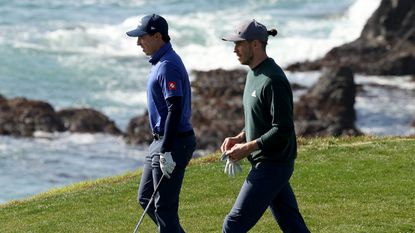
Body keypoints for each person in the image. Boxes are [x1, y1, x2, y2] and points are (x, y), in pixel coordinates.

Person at [220, 19, 310, 233]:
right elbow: (261, 118)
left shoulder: (273, 79)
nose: (234, 50)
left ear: (256, 44)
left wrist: (247, 147)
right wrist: (241, 137)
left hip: (273, 165)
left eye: (239, 44)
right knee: (292, 225)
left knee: (232, 225)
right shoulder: (253, 73)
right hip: (270, 163)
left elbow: (283, 128)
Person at [126, 14, 196, 233]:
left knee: (164, 208)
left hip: (173, 142)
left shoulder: (167, 66)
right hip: (161, 141)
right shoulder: (159, 62)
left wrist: (166, 150)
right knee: (146, 197)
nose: (138, 42)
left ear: (158, 36)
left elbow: (175, 107)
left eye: (142, 37)